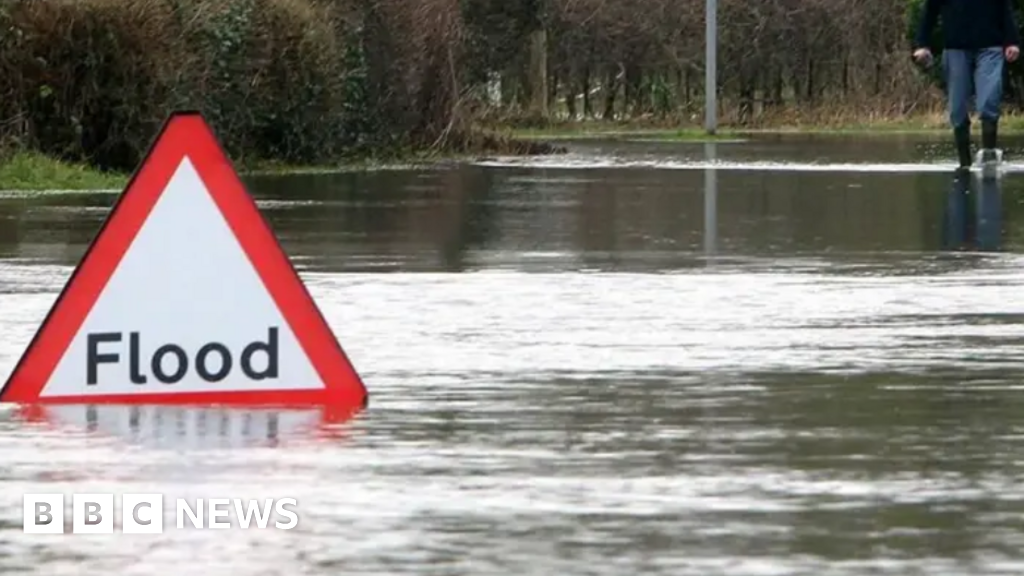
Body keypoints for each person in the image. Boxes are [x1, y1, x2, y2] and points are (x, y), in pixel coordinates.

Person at [913, 0, 1021, 169]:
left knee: (988, 102)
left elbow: (1004, 9)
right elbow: (930, 12)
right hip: (955, 48)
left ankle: (989, 156)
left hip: (990, 47)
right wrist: (922, 45)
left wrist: (1012, 41)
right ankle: (965, 164)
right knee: (957, 108)